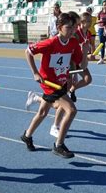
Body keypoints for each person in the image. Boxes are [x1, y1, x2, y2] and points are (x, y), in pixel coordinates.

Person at [21, 13, 88, 158]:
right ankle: (59, 145)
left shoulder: (73, 43)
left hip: (61, 82)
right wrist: (35, 73)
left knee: (43, 112)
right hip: (49, 83)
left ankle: (27, 135)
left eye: (73, 28)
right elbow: (28, 51)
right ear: (59, 28)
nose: (71, 31)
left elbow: (80, 65)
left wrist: (85, 51)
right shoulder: (50, 43)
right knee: (71, 110)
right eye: (68, 28)